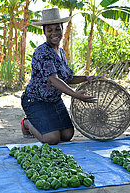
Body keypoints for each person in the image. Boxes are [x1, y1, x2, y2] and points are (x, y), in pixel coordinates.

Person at [21, 8, 102, 145]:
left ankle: (42, 123)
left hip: (54, 101)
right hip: (35, 100)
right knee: (52, 139)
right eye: (50, 30)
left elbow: (68, 78)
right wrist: (76, 95)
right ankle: (27, 123)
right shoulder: (42, 52)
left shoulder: (61, 52)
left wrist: (87, 78)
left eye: (57, 29)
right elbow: (53, 79)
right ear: (45, 32)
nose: (54, 33)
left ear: (62, 30)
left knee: (67, 135)